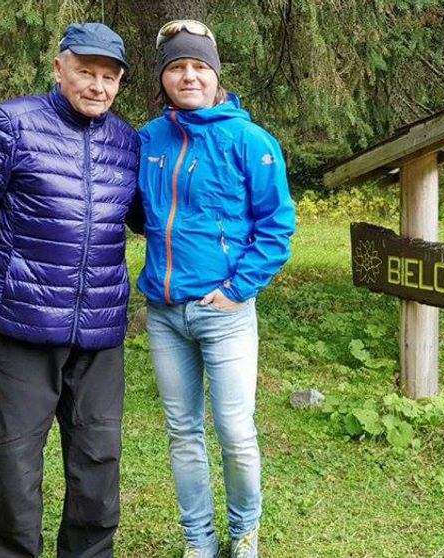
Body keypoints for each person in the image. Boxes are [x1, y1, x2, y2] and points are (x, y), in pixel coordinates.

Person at [0, 23, 139, 558]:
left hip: (99, 330)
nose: (97, 86)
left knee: (98, 459)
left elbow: (150, 215)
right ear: (59, 68)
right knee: (16, 461)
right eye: (86, 73)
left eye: (108, 78)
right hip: (20, 325)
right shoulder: (12, 124)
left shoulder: (127, 141)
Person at [136, 19, 296, 558]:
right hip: (164, 312)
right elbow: (135, 210)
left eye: (198, 66)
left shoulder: (250, 141)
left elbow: (278, 226)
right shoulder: (148, 140)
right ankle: (198, 540)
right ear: (163, 77)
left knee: (234, 430)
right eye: (177, 66)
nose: (188, 76)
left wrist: (238, 287)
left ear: (216, 75)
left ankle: (244, 531)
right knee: (183, 433)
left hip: (224, 311)